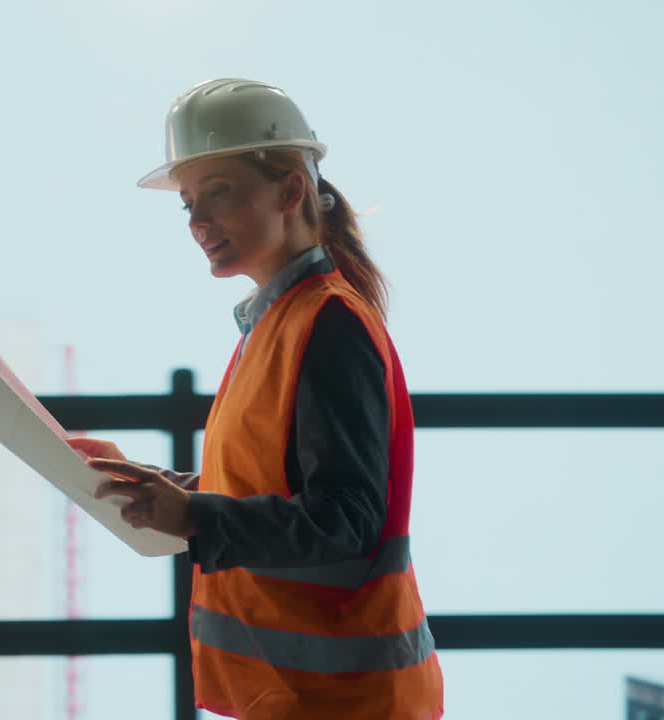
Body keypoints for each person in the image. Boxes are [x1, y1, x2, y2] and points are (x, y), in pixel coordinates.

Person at [67, 79, 445, 719]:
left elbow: (347, 518)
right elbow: (264, 488)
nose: (197, 223)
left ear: (291, 189)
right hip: (302, 699)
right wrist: (150, 485)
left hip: (346, 703)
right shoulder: (278, 326)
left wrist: (192, 517)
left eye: (216, 194)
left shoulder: (327, 323)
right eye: (186, 204)